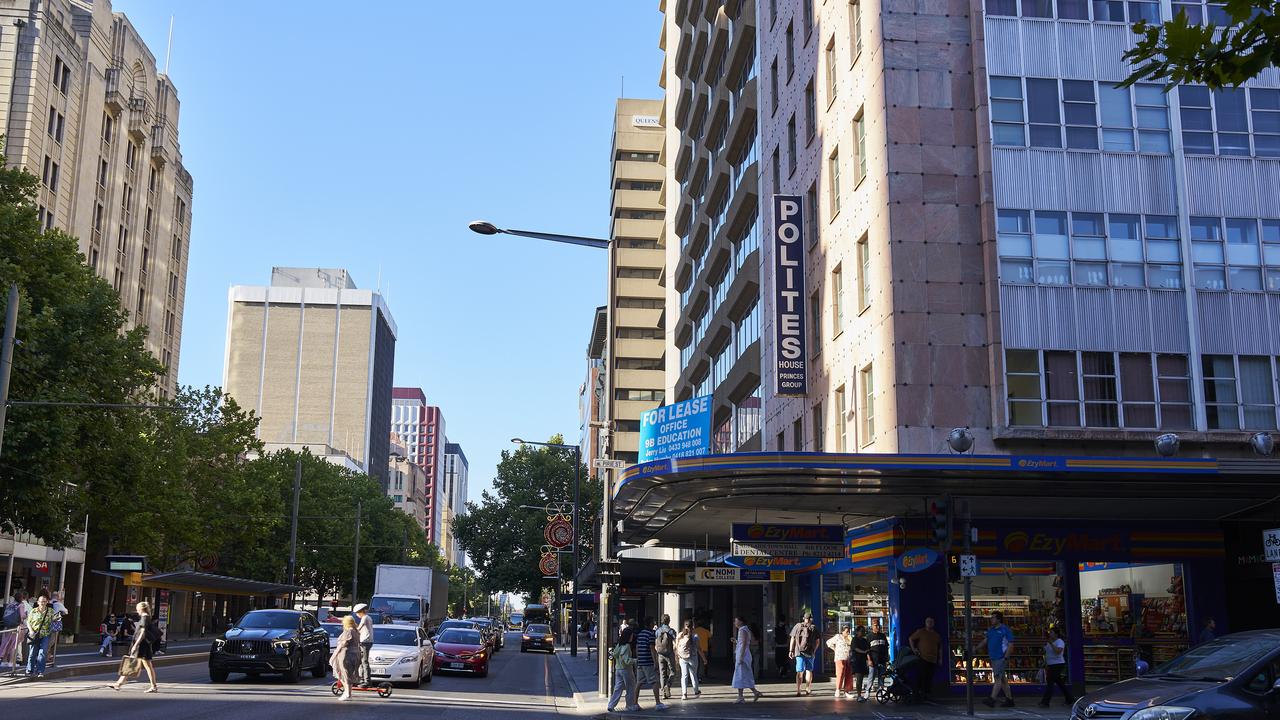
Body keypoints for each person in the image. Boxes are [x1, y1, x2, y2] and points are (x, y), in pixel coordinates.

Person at [110, 601, 158, 693]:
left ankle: (119, 684)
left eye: (137, 609)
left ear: (140, 609)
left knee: (134, 663)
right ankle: (119, 683)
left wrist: (135, 645)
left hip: (141, 645)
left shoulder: (144, 618)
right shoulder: (146, 617)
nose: (137, 611)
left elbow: (143, 633)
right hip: (144, 645)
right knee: (144, 665)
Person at [982, 610, 1015, 708]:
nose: (991, 619)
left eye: (993, 618)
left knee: (997, 678)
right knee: (1003, 679)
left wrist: (1005, 657)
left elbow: (1011, 645)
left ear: (999, 619)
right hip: (994, 657)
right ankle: (1009, 700)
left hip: (1001, 658)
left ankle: (992, 699)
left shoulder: (1005, 630)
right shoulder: (991, 630)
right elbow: (985, 641)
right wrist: (975, 648)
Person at [633, 617, 667, 710]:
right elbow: (652, 649)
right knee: (655, 681)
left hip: (641, 661)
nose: (654, 624)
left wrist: (639, 658)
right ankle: (658, 703)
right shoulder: (650, 634)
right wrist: (655, 662)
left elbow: (637, 647)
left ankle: (635, 704)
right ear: (651, 623)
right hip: (648, 662)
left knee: (639, 682)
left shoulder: (640, 634)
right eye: (653, 622)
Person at [607, 624, 640, 712]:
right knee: (631, 688)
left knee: (618, 688)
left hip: (618, 669)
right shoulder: (627, 646)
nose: (632, 636)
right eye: (632, 635)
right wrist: (635, 660)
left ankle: (611, 705)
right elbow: (627, 661)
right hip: (626, 669)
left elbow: (614, 654)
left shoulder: (619, 645)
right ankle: (630, 705)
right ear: (629, 636)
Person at [1040, 626, 1074, 707]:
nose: (1050, 634)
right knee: (1060, 683)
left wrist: (1051, 643)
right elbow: (1047, 653)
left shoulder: (1060, 642)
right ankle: (1070, 699)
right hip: (1051, 664)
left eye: (1051, 632)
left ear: (1056, 634)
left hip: (1057, 664)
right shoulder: (1049, 642)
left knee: (1050, 682)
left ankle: (1045, 701)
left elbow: (1058, 652)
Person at [732, 615, 763, 703]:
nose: (735, 623)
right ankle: (753, 692)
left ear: (741, 622)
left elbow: (745, 644)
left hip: (743, 655)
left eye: (736, 621)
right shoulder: (745, 629)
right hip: (744, 654)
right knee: (744, 674)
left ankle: (741, 697)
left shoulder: (742, 630)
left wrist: (741, 656)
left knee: (740, 674)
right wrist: (737, 642)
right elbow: (744, 643)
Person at [24, 593, 56, 678]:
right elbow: (28, 621)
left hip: (45, 634)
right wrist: (31, 631)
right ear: (38, 602)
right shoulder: (33, 611)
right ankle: (29, 670)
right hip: (34, 634)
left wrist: (57, 620)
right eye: (41, 601)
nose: (43, 603)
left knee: (42, 653)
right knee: (32, 653)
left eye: (44, 602)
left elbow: (54, 621)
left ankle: (40, 671)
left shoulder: (50, 611)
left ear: (47, 602)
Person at [329, 615, 361, 701]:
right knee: (349, 674)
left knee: (343, 673)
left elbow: (343, 644)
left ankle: (347, 693)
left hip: (346, 654)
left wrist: (334, 654)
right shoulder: (356, 631)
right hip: (356, 654)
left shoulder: (348, 631)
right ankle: (348, 693)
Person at [909, 616, 942, 697]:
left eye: (931, 622)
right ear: (925, 623)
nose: (930, 623)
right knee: (922, 676)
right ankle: (920, 694)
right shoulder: (921, 631)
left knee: (929, 677)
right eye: (928, 621)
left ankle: (927, 694)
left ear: (933, 623)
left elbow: (940, 647)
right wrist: (914, 649)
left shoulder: (936, 635)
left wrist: (940, 658)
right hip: (923, 658)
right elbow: (911, 638)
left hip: (933, 659)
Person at [788, 610, 818, 696]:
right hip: (810, 652)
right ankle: (808, 689)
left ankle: (798, 690)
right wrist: (814, 651)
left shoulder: (797, 626)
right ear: (811, 619)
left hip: (799, 652)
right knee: (809, 670)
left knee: (799, 671)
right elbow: (817, 642)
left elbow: (792, 638)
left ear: (803, 618)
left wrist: (791, 650)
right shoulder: (813, 627)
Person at [675, 620, 704, 700]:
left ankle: (684, 694)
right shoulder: (695, 636)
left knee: (684, 676)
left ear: (684, 626)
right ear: (692, 626)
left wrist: (677, 657)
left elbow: (676, 647)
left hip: (682, 657)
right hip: (693, 657)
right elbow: (699, 648)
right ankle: (696, 691)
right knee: (693, 674)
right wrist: (704, 659)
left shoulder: (680, 635)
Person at [826, 625, 854, 699]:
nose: (848, 633)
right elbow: (828, 642)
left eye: (848, 631)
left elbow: (852, 646)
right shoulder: (838, 637)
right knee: (840, 673)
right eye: (846, 631)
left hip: (848, 658)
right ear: (842, 631)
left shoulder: (850, 638)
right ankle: (838, 689)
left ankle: (847, 691)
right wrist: (835, 649)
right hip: (839, 657)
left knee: (848, 675)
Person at [654, 614, 677, 700]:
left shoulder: (658, 631)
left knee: (662, 673)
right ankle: (668, 685)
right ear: (669, 621)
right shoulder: (671, 631)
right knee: (673, 671)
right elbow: (676, 642)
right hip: (669, 653)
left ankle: (663, 693)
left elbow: (655, 640)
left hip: (660, 654)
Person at [354, 602, 374, 687]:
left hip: (365, 641)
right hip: (365, 641)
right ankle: (363, 679)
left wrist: (352, 630)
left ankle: (367, 681)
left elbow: (359, 628)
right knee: (362, 661)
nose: (357, 615)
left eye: (357, 613)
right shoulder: (367, 618)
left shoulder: (365, 618)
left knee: (364, 661)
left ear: (361, 612)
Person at [868, 618, 889, 695]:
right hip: (873, 661)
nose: (877, 627)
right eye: (875, 625)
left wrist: (887, 658)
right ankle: (867, 693)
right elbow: (867, 650)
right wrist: (869, 660)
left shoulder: (883, 635)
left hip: (882, 660)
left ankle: (881, 693)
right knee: (871, 677)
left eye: (878, 625)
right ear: (872, 626)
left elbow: (886, 647)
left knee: (882, 677)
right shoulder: (869, 636)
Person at [851, 625, 871, 702]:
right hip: (857, 660)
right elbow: (855, 648)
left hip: (863, 661)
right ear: (857, 632)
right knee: (859, 679)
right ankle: (859, 695)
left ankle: (861, 695)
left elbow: (868, 650)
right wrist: (864, 652)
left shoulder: (864, 640)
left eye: (864, 631)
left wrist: (868, 659)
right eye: (861, 631)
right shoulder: (854, 639)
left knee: (862, 678)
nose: (863, 632)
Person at [694, 617, 712, 681]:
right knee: (702, 663)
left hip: (696, 649)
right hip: (704, 649)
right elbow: (710, 640)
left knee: (696, 663)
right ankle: (700, 677)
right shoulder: (706, 631)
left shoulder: (694, 631)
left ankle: (695, 675)